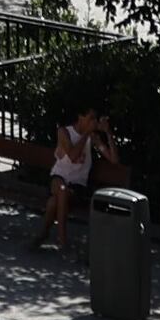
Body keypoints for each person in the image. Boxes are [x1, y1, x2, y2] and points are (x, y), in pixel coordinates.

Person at [36, 106, 122, 248]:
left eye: (95, 119)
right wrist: (86, 134)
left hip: (77, 186)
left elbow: (114, 159)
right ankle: (62, 241)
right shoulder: (64, 132)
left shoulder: (93, 138)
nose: (93, 122)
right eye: (90, 118)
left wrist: (108, 133)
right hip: (58, 178)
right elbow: (72, 155)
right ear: (80, 117)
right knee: (62, 189)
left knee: (53, 202)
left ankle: (44, 233)